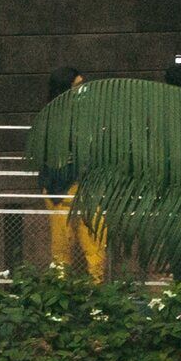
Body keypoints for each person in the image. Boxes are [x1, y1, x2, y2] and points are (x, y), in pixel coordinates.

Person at [38, 66, 107, 280]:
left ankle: (97, 290)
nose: (82, 90)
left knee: (95, 241)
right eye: (77, 86)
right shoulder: (52, 118)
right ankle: (61, 292)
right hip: (61, 189)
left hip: (87, 187)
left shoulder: (87, 115)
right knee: (62, 245)